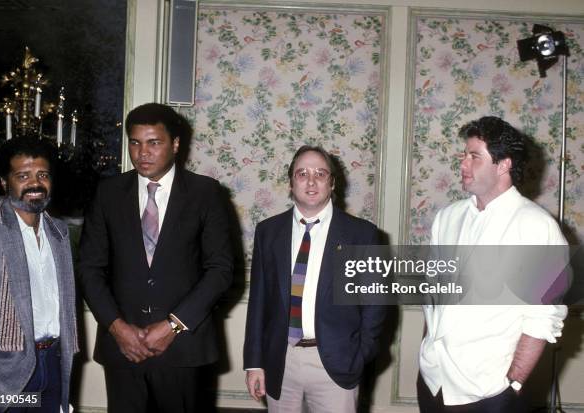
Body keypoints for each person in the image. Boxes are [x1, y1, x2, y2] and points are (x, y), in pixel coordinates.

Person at [78, 103, 233, 413]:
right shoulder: (108, 193)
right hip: (123, 348)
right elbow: (89, 268)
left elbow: (221, 270)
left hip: (184, 348)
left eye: (154, 142)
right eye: (135, 142)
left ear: (175, 144)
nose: (142, 152)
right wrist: (117, 328)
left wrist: (173, 326)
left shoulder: (206, 193)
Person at [418, 116, 568, 412]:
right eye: (464, 154)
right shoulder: (447, 217)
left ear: (503, 165)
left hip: (489, 392)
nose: (463, 164)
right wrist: (426, 355)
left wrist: (513, 384)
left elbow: (542, 318)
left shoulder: (536, 226)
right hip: (433, 380)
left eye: (474, 156)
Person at [243, 145, 387, 413]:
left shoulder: (361, 234)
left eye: (320, 174)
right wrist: (254, 363)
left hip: (335, 364)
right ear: (290, 182)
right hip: (280, 362)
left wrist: (359, 356)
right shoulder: (268, 232)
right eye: (302, 174)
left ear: (332, 183)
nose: (311, 181)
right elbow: (258, 303)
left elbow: (375, 305)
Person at [0, 136, 79, 413]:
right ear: (5, 182)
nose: (35, 183)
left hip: (53, 362)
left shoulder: (58, 231)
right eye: (23, 175)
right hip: (0, 367)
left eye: (42, 174)